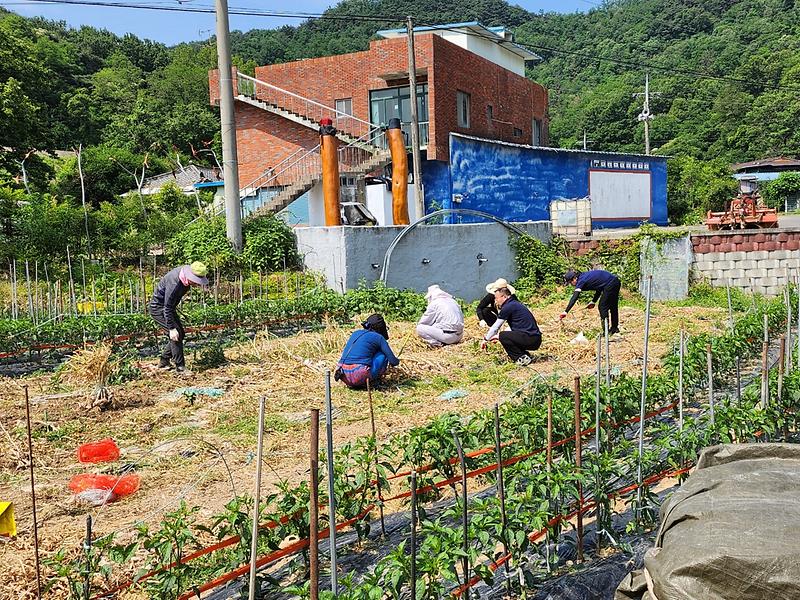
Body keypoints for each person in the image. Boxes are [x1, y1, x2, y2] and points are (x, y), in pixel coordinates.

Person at [149, 261, 209, 372]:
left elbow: (170, 305)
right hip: (159, 308)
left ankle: (164, 361)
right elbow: (167, 307)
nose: (197, 284)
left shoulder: (185, 277)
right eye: (196, 281)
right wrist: (171, 328)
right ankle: (180, 367)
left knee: (180, 333)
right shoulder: (174, 284)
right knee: (175, 335)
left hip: (168, 308)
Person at [481, 287, 542, 366]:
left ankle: (521, 358)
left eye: (496, 298)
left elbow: (496, 327)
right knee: (504, 336)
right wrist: (497, 336)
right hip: (534, 338)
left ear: (504, 297)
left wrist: (486, 339)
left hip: (531, 338)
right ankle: (525, 355)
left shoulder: (508, 307)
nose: (495, 301)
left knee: (503, 335)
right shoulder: (514, 303)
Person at [336, 314, 400, 388]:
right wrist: (397, 360)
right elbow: (393, 361)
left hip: (343, 373)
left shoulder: (355, 333)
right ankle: (373, 382)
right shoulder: (378, 337)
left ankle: (358, 383)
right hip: (359, 374)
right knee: (383, 354)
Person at [559, 269, 622, 335]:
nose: (571, 285)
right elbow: (599, 288)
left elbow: (575, 297)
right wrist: (593, 301)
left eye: (570, 283)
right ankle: (614, 328)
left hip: (611, 283)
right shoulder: (583, 277)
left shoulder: (581, 280)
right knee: (613, 305)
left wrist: (566, 311)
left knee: (602, 307)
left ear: (574, 278)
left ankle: (606, 332)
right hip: (615, 281)